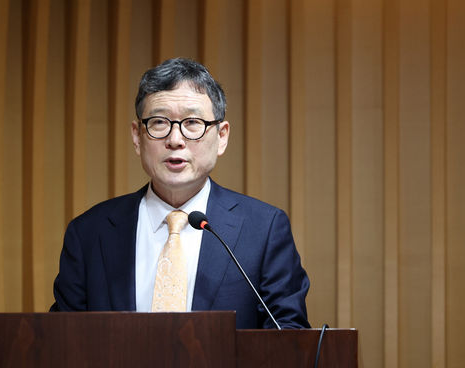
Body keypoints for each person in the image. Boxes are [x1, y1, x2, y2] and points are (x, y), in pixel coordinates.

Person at [50, 57, 310, 329]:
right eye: (159, 122)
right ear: (137, 136)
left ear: (221, 136)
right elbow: (63, 341)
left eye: (193, 122)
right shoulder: (89, 233)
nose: (175, 140)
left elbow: (288, 338)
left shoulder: (264, 230)